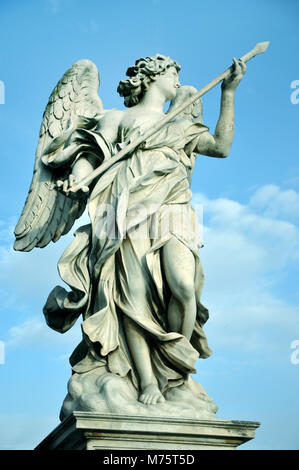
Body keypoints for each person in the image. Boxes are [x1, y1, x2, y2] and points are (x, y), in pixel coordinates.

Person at [43, 54, 246, 408]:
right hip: (123, 207)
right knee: (130, 295)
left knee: (184, 288)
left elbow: (221, 147)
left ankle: (176, 369)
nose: (179, 83)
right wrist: (77, 181)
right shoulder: (117, 117)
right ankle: (148, 380)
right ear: (151, 77)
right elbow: (90, 155)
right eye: (173, 74)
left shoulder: (179, 124)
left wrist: (228, 93)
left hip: (173, 208)